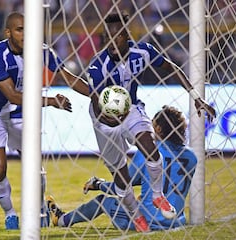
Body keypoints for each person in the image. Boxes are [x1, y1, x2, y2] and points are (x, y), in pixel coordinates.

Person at [84, 11, 216, 231]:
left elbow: (171, 67)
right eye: (107, 37)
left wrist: (196, 97)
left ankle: (157, 196)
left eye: (116, 36)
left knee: (151, 149)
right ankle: (136, 216)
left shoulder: (142, 52)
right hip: (104, 121)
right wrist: (108, 117)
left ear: (126, 35)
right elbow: (97, 104)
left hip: (132, 108)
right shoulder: (98, 65)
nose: (111, 42)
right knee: (121, 177)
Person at [0, 12, 89, 230]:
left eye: (28, 29)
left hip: (21, 113)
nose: (26, 34)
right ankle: (10, 213)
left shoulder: (42, 50)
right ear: (8, 32)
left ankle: (40, 209)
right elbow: (11, 95)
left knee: (34, 166)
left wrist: (95, 94)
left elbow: (68, 77)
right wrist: (51, 100)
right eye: (20, 30)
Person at [47, 105, 197, 231]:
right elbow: (168, 181)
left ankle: (61, 220)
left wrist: (99, 184)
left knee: (102, 201)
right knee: (140, 198)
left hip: (149, 221)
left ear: (157, 128)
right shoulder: (192, 157)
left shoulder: (149, 152)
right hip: (176, 220)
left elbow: (123, 186)